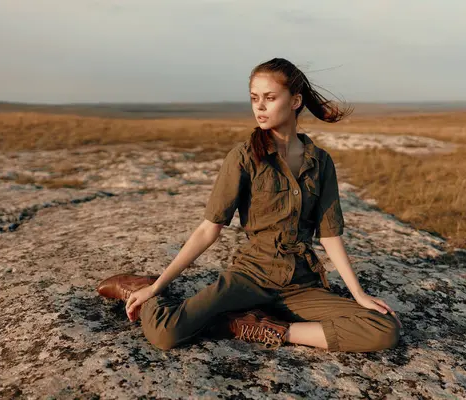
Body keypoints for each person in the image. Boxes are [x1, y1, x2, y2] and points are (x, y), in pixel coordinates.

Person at [97, 57, 402, 353]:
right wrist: (157, 286)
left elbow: (330, 235)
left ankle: (265, 328)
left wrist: (358, 294)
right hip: (250, 276)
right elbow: (208, 230)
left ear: (295, 101)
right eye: (254, 97)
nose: (259, 106)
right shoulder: (244, 158)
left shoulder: (320, 162)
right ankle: (142, 288)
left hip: (300, 284)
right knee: (167, 333)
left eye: (270, 97)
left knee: (383, 328)